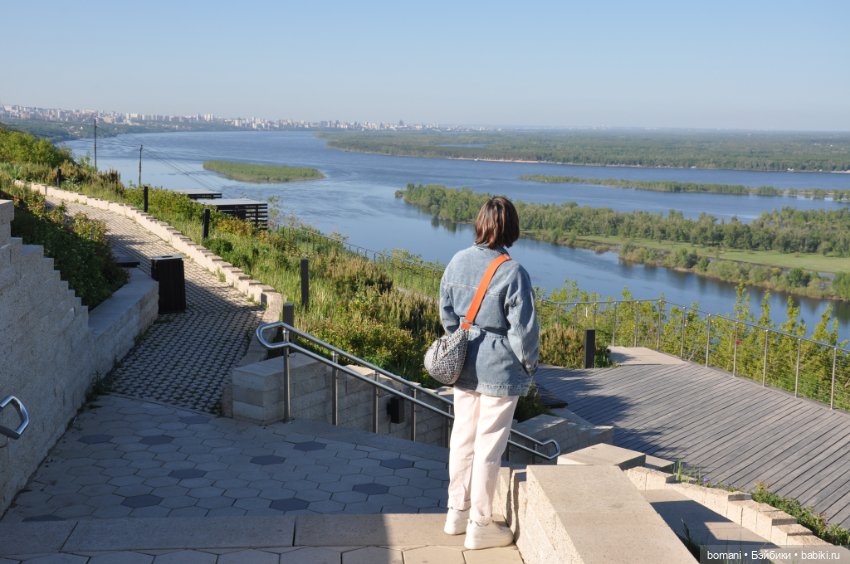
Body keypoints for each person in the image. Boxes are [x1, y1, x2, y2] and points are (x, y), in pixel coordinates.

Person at [439, 196, 539, 550]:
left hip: (465, 363)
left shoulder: (457, 261)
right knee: (488, 447)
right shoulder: (513, 272)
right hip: (500, 369)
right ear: (511, 228)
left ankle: (456, 512)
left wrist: (463, 339)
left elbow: (447, 314)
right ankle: (480, 524)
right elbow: (523, 332)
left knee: (462, 439)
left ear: (480, 223)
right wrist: (530, 366)